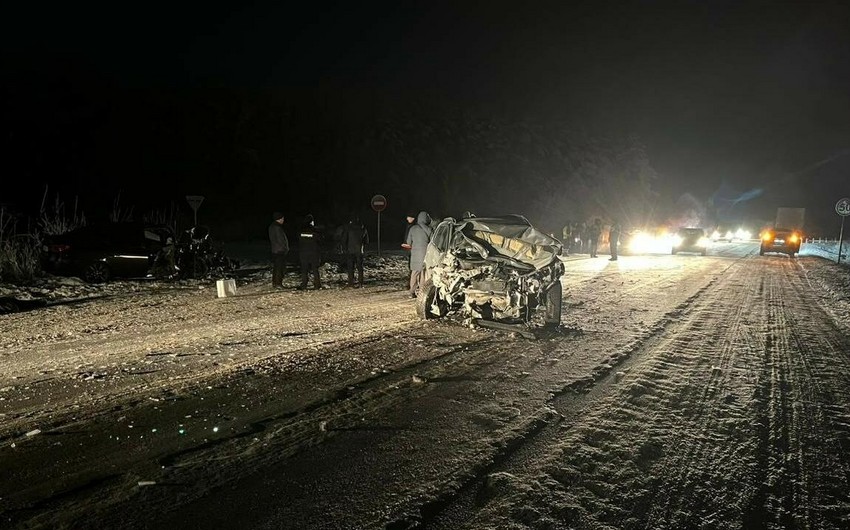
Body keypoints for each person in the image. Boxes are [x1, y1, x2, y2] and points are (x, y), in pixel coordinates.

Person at [406, 210, 433, 298]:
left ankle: (412, 292)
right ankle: (422, 292)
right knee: (423, 274)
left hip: (415, 254)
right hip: (425, 253)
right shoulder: (429, 229)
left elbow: (408, 242)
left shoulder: (412, 229)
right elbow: (433, 242)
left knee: (414, 273)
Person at [342, 213, 369, 287]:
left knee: (350, 267)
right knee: (360, 268)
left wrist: (344, 248)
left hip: (350, 250)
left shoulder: (348, 229)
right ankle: (360, 283)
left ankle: (351, 283)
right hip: (359, 251)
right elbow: (366, 241)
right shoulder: (363, 228)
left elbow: (344, 239)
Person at [297, 214, 322, 290]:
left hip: (303, 252)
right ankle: (317, 285)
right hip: (313, 252)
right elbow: (319, 240)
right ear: (311, 222)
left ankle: (304, 285)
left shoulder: (301, 230)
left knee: (304, 269)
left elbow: (298, 240)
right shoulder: (315, 230)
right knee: (315, 269)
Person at [269, 212, 289, 290]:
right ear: (279, 219)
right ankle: (278, 283)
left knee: (277, 267)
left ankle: (275, 282)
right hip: (280, 250)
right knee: (279, 268)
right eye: (282, 218)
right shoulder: (277, 227)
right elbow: (281, 239)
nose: (283, 220)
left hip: (275, 250)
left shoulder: (272, 226)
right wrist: (285, 248)